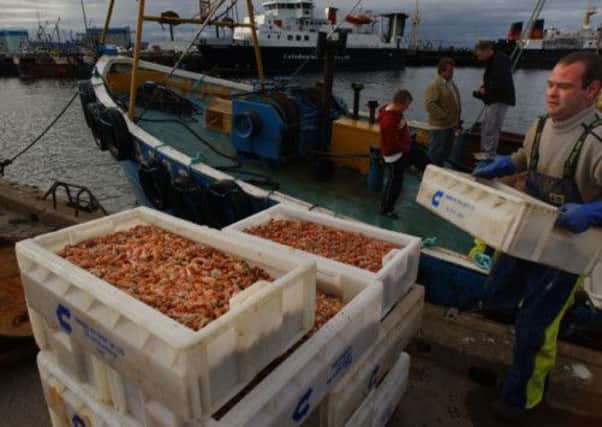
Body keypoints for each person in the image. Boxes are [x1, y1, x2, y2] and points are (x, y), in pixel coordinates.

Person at [473, 51, 602, 421]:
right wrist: (503, 165)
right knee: (496, 295)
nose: (552, 93)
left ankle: (522, 399)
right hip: (528, 238)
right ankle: (558, 318)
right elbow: (525, 158)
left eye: (564, 87)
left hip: (566, 253)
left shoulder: (595, 142)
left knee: (535, 327)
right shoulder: (542, 125)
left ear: (591, 90)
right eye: (550, 84)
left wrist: (592, 212)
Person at [473, 40, 516, 160]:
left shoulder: (499, 61)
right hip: (494, 99)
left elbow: (499, 82)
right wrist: (483, 88)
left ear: (487, 50)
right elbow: (494, 80)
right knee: (487, 126)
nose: (479, 58)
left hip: (498, 99)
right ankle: (487, 152)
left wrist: (485, 90)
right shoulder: (493, 60)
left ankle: (488, 154)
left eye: (480, 55)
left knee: (491, 127)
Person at [378, 89, 413, 219]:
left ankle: (387, 207)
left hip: (400, 152)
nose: (407, 108)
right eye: (406, 106)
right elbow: (392, 144)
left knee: (396, 182)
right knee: (393, 185)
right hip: (393, 156)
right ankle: (386, 209)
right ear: (399, 103)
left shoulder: (396, 114)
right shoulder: (388, 121)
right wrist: (406, 148)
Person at [424, 57, 462, 166]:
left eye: (452, 71)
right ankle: (429, 175)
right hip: (439, 128)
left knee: (445, 154)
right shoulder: (434, 86)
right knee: (434, 154)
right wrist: (445, 116)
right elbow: (430, 105)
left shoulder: (451, 84)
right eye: (449, 71)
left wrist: (456, 120)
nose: (452, 73)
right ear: (441, 71)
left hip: (450, 126)